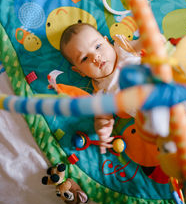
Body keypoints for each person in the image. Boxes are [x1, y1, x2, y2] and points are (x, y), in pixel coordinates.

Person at [60, 23, 144, 154]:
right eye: (84, 58)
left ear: (106, 41)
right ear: (79, 71)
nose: (95, 57)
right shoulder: (101, 91)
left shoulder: (124, 49)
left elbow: (145, 43)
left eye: (98, 46)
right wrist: (103, 128)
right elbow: (102, 117)